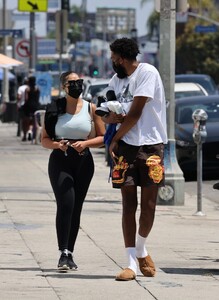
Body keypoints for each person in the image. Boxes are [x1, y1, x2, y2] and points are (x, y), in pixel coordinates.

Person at [101, 38, 168, 281]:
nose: (112, 62)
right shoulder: (115, 80)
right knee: (128, 204)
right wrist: (109, 118)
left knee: (149, 204)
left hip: (151, 144)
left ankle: (141, 249)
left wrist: (115, 138)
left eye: (114, 58)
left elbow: (137, 112)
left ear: (123, 57)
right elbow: (109, 112)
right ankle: (130, 262)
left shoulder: (147, 73)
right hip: (126, 148)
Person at [41, 71, 105, 271]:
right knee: (66, 203)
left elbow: (103, 137)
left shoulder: (90, 108)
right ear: (63, 86)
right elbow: (44, 140)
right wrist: (58, 145)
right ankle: (63, 252)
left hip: (83, 162)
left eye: (79, 82)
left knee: (76, 207)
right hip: (60, 160)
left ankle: (70, 252)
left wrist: (85, 143)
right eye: (72, 83)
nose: (77, 85)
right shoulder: (54, 109)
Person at [21, 75, 40, 141]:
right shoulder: (37, 88)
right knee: (33, 121)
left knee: (25, 120)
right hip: (35, 106)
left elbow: (26, 98)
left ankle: (25, 135)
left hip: (28, 106)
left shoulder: (27, 89)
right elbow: (38, 98)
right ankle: (31, 131)